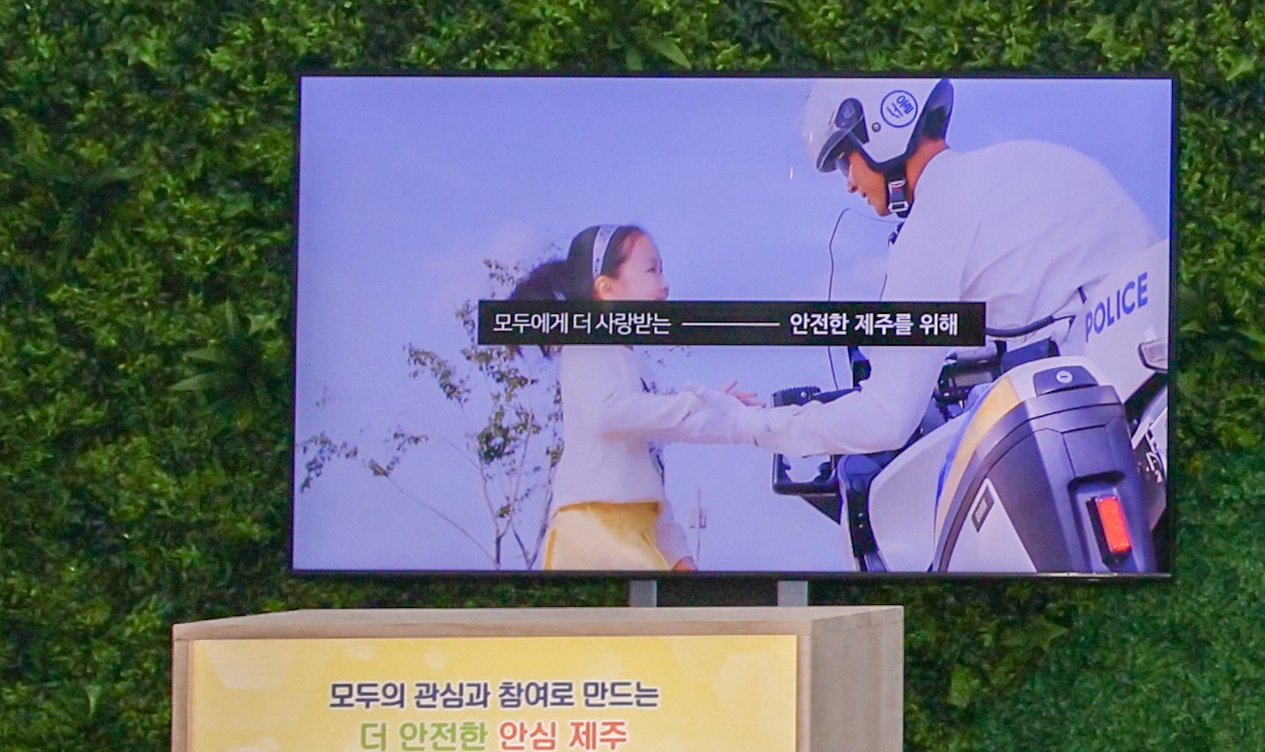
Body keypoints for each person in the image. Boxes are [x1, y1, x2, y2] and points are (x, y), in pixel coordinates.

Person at [795, 81, 1176, 573]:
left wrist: (776, 427)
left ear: (878, 133)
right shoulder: (1040, 160)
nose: (848, 181)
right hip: (1136, 380)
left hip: (1086, 412)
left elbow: (892, 408)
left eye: (846, 160)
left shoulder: (932, 222)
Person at [497, 221, 877, 571]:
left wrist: (677, 552)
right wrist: (697, 403)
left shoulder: (633, 364)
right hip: (593, 532)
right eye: (651, 270)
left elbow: (647, 470)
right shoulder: (588, 347)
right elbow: (607, 413)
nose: (665, 285)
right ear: (606, 288)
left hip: (631, 532)